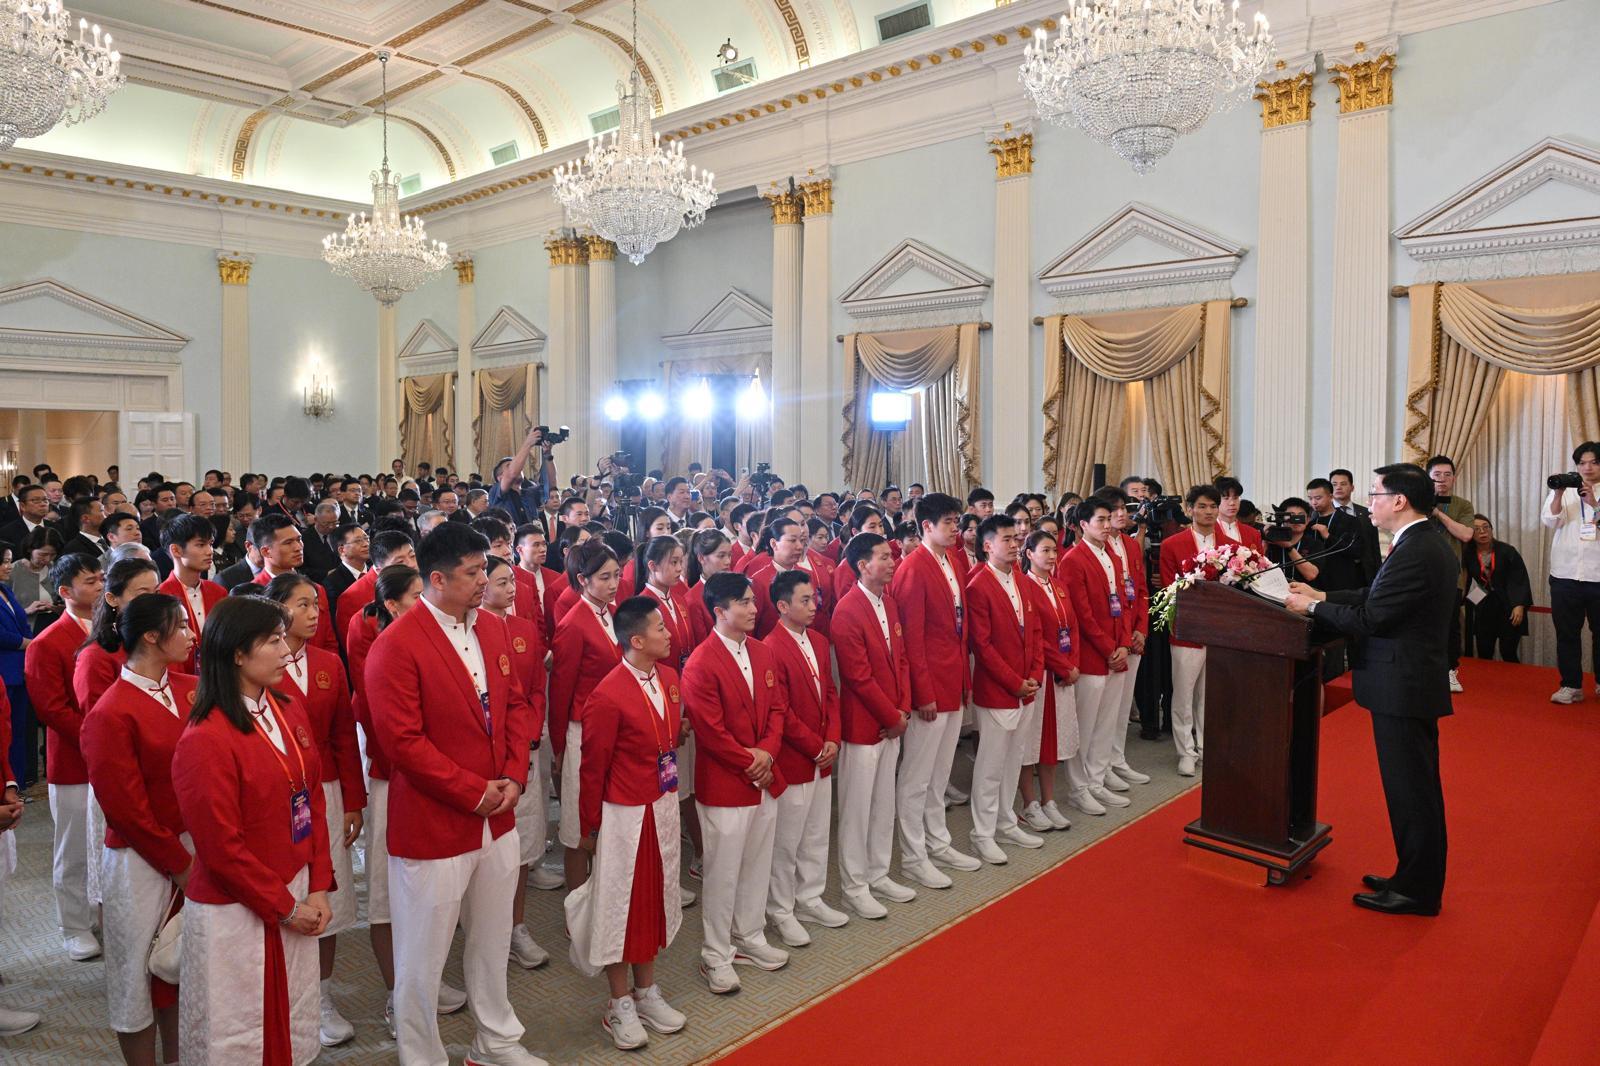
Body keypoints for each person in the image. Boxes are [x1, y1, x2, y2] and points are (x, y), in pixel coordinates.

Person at [366, 523, 542, 1066]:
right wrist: (473, 792)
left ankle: (496, 1042)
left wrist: (513, 776)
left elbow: (514, 707)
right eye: (472, 574)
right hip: (436, 822)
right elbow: (403, 743)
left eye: (484, 570)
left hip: (498, 812)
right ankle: (421, 1056)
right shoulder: (397, 645)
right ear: (436, 579)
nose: (484, 582)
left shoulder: (491, 629)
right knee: (422, 956)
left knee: (491, 943)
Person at [1286, 464, 1456, 916]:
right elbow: (1374, 596)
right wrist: (1322, 598)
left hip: (1404, 684)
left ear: (1400, 501)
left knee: (1411, 790)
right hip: (1407, 681)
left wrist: (1309, 607)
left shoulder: (1418, 549)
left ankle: (1418, 890)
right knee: (1411, 788)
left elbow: (1372, 619)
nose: (1371, 501)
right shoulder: (1417, 542)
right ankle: (1411, 875)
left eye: (1378, 492)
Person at [171, 594, 335, 1064]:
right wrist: (284, 907)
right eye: (273, 640)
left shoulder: (286, 707)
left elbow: (312, 798)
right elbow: (221, 848)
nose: (287, 651)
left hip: (297, 889)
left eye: (285, 638)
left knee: (293, 1017)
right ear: (237, 653)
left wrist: (319, 885)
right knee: (238, 1032)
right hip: (238, 908)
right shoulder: (205, 738)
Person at [347, 565, 468, 1036]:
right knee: (387, 894)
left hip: (434, 782)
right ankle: (398, 995)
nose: (428, 602)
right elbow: (389, 735)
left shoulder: (439, 644)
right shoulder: (386, 650)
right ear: (393, 605)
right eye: (417, 596)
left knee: (428, 895)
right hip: (391, 782)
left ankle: (423, 983)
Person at [80, 593, 196, 1066]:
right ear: (151, 636)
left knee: (181, 969)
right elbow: (127, 811)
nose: (191, 634)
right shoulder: (111, 712)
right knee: (135, 977)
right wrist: (180, 864)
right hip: (141, 859)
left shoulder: (193, 687)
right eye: (181, 626)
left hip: (195, 844)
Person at [571, 596, 689, 1050]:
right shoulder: (608, 694)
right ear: (636, 640)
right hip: (623, 814)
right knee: (619, 906)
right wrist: (590, 827)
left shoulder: (671, 679)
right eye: (659, 628)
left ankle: (646, 990)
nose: (668, 633)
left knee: (654, 900)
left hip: (661, 804)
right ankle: (618, 1002)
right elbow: (592, 767)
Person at [259, 573, 365, 1048]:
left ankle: (321, 995)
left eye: (316, 605)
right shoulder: (260, 666)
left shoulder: (327, 663)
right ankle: (281, 996)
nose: (313, 613)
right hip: (278, 791)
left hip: (326, 789)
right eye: (301, 605)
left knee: (328, 892)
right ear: (277, 609)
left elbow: (345, 733)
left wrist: (354, 800)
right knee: (284, 892)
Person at [681, 571, 788, 994]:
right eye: (743, 602)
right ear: (719, 611)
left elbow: (778, 708)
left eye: (751, 600)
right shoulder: (702, 661)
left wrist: (767, 752)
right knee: (722, 872)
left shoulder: (762, 652)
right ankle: (715, 953)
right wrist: (753, 759)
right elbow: (710, 731)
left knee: (758, 861)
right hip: (726, 781)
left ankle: (749, 935)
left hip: (762, 775)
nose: (753, 608)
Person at [889, 492, 978, 885]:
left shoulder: (953, 561)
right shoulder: (912, 567)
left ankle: (938, 842)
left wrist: (963, 683)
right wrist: (921, 692)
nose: (956, 530)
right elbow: (911, 638)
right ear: (926, 526)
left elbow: (959, 630)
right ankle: (913, 854)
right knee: (917, 776)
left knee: (940, 773)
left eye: (958, 522)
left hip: (953, 679)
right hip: (930, 687)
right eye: (949, 523)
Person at [25, 552, 104, 960]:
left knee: (106, 842)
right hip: (74, 760)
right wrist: (99, 738)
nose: (99, 586)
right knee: (73, 846)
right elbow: (51, 709)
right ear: (64, 591)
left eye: (101, 578)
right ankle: (73, 925)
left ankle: (101, 912)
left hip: (112, 757)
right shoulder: (47, 641)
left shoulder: (113, 630)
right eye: (90, 581)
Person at [831, 533, 913, 920]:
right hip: (866, 725)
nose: (892, 560)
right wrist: (891, 717)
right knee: (857, 808)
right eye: (883, 556)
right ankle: (854, 886)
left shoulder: (889, 602)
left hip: (892, 720)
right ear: (863, 565)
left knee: (884, 803)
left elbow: (902, 661)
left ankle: (879, 872)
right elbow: (858, 677)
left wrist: (904, 709)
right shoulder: (847, 611)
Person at [479, 555, 553, 970]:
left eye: (513, 581)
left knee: (521, 842)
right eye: (501, 582)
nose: (512, 589)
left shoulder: (523, 628)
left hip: (524, 748)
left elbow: (535, 688)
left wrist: (532, 729)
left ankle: (516, 926)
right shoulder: (474, 630)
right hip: (491, 754)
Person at [764, 570, 845, 946]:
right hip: (796, 758)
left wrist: (831, 738)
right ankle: (781, 909)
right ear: (782, 606)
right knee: (787, 840)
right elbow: (780, 710)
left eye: (815, 599)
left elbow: (830, 692)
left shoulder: (817, 638)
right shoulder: (770, 647)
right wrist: (815, 745)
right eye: (805, 601)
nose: (814, 607)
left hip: (822, 753)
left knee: (816, 831)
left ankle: (810, 895)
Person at [964, 515, 1046, 864]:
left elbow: (1036, 633)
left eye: (1016, 538)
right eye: (1007, 539)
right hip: (999, 689)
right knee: (991, 765)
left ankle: (1006, 820)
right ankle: (982, 833)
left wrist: (1035, 675)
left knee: (1014, 759)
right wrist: (1015, 681)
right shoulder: (977, 584)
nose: (1015, 544)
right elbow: (982, 647)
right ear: (987, 545)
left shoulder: (1024, 581)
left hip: (1026, 687)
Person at [550, 540, 624, 892]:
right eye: (605, 577)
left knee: (607, 816)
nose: (614, 584)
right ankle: (576, 904)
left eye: (617, 575)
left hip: (613, 729)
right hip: (582, 729)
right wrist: (560, 744)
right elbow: (561, 691)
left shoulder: (612, 612)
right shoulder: (574, 623)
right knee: (579, 823)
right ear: (583, 579)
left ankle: (604, 895)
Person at [1057, 499, 1132, 817]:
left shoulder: (1113, 555)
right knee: (1084, 725)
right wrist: (1107, 648)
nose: (1106, 524)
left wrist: (1125, 644)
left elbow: (1125, 601)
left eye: (1108, 519)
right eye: (1099, 520)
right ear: (1082, 524)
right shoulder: (1073, 560)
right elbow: (1082, 614)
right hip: (1091, 654)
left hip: (1116, 649)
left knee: (1107, 721)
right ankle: (1078, 787)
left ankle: (1097, 778)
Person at [1158, 485, 1225, 777]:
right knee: (1184, 693)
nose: (1208, 511)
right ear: (1189, 509)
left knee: (1211, 694)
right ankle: (1185, 750)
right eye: (1202, 506)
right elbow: (1168, 587)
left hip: (1223, 629)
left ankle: (1208, 747)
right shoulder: (1172, 544)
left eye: (1213, 506)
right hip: (1187, 628)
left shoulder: (1230, 543)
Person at [1018, 530, 1079, 832]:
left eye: (1054, 550)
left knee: (1053, 741)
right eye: (1045, 550)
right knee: (1031, 742)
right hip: (1040, 673)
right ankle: (1030, 803)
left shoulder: (1059, 585)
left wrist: (1072, 664)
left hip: (1063, 674)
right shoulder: (1025, 587)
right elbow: (1036, 638)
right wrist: (1062, 666)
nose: (1052, 556)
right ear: (1029, 554)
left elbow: (1073, 627)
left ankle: (1049, 800)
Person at [1542, 441, 1600, 703]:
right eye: (1582, 463)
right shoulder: (1564, 490)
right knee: (1566, 632)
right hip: (1565, 574)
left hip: (1598, 575)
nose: (1587, 468)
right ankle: (1571, 685)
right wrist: (1557, 494)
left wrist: (1594, 502)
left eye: (1594, 462)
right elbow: (1550, 521)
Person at [1426, 455, 1475, 694]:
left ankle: (1449, 670)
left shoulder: (1463, 505)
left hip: (1450, 575)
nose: (1442, 480)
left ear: (1454, 477)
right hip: (1421, 574)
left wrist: (1438, 513)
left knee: (1450, 625)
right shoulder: (1416, 503)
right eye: (1436, 475)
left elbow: (1466, 535)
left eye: (1447, 475)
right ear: (1428, 478)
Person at [158, 514, 226, 675]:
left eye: (210, 544)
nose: (210, 551)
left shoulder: (218, 591)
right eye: (201, 545)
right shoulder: (161, 596)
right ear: (176, 550)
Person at [1464, 515, 1532, 663]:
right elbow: (1465, 581)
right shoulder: (1468, 555)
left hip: (1508, 606)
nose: (1482, 532)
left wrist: (1519, 605)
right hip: (1484, 606)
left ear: (1491, 529)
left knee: (1508, 651)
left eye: (1486, 527)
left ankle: (1513, 683)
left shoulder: (1507, 551)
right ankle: (1486, 684)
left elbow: (1519, 579)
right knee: (1484, 650)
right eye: (1476, 529)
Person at [0, 546, 35, 791]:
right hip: (3, 669)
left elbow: (21, 621)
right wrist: (28, 643)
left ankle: (18, 785)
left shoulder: (4, 589)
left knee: (19, 730)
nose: (8, 566)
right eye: (3, 562)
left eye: (10, 561)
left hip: (19, 669)